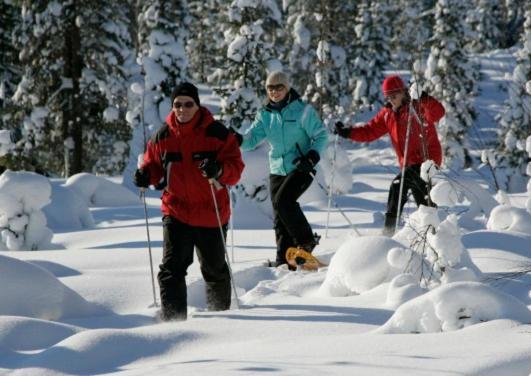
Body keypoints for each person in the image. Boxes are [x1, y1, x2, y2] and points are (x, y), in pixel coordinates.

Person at [133, 82, 244, 321]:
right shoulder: (163, 136)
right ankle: (174, 324)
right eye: (177, 104)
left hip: (211, 212)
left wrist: (219, 169)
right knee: (171, 270)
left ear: (197, 105)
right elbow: (153, 167)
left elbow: (235, 169)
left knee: (214, 270)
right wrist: (145, 175)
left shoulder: (218, 134)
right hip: (176, 211)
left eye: (188, 104)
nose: (182, 109)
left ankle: (221, 319)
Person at [334, 75, 445, 236]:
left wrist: (425, 98)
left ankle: (388, 232)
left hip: (426, 161)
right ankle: (435, 234)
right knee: (424, 203)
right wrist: (348, 132)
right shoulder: (388, 114)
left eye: (394, 96)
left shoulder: (417, 107)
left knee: (397, 186)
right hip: (408, 164)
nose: (391, 100)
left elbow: (438, 113)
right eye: (388, 97)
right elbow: (370, 131)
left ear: (403, 92)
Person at [239, 71, 328, 269]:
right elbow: (251, 139)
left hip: (301, 166)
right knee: (279, 216)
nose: (275, 92)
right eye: (270, 88)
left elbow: (321, 135)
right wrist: (236, 139)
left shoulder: (302, 111)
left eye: (279, 87)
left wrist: (312, 156)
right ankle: (283, 260)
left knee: (283, 201)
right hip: (277, 169)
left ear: (287, 89)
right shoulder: (265, 115)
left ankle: (306, 241)